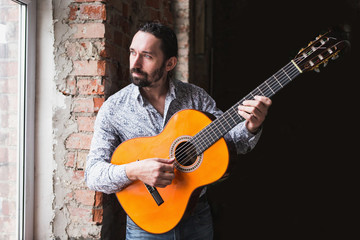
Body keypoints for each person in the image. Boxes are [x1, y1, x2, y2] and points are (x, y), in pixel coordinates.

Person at [85, 21, 272, 239]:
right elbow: (93, 175)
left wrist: (251, 126)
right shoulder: (114, 108)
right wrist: (135, 170)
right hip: (145, 225)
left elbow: (231, 144)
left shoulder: (195, 97)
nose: (135, 63)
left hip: (197, 219)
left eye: (147, 56)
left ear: (169, 63)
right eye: (132, 52)